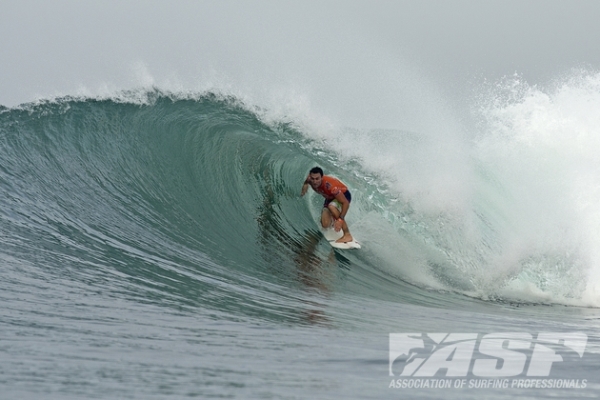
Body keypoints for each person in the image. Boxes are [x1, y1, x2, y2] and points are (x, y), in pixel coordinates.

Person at [301, 166, 353, 243]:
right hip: (330, 198)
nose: (314, 182)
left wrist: (340, 220)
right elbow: (307, 181)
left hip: (343, 196)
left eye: (317, 179)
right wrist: (305, 186)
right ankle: (333, 220)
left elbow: (345, 203)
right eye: (313, 178)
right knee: (325, 225)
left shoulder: (331, 187)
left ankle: (347, 234)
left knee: (331, 206)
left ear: (322, 177)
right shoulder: (309, 179)